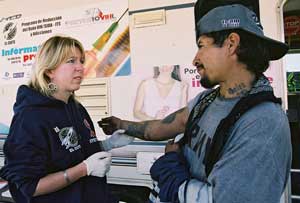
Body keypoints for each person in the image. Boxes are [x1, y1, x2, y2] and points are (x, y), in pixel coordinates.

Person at [98, 4, 292, 203]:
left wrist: (172, 165)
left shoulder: (263, 124)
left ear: (231, 44)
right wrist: (122, 125)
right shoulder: (206, 100)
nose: (195, 60)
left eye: (201, 45)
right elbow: (159, 128)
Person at [0, 35, 133, 203]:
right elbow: (28, 187)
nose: (80, 68)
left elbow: (74, 152)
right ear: (49, 70)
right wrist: (84, 169)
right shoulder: (30, 118)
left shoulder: (76, 108)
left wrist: (107, 144)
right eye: (71, 61)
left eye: (81, 61)